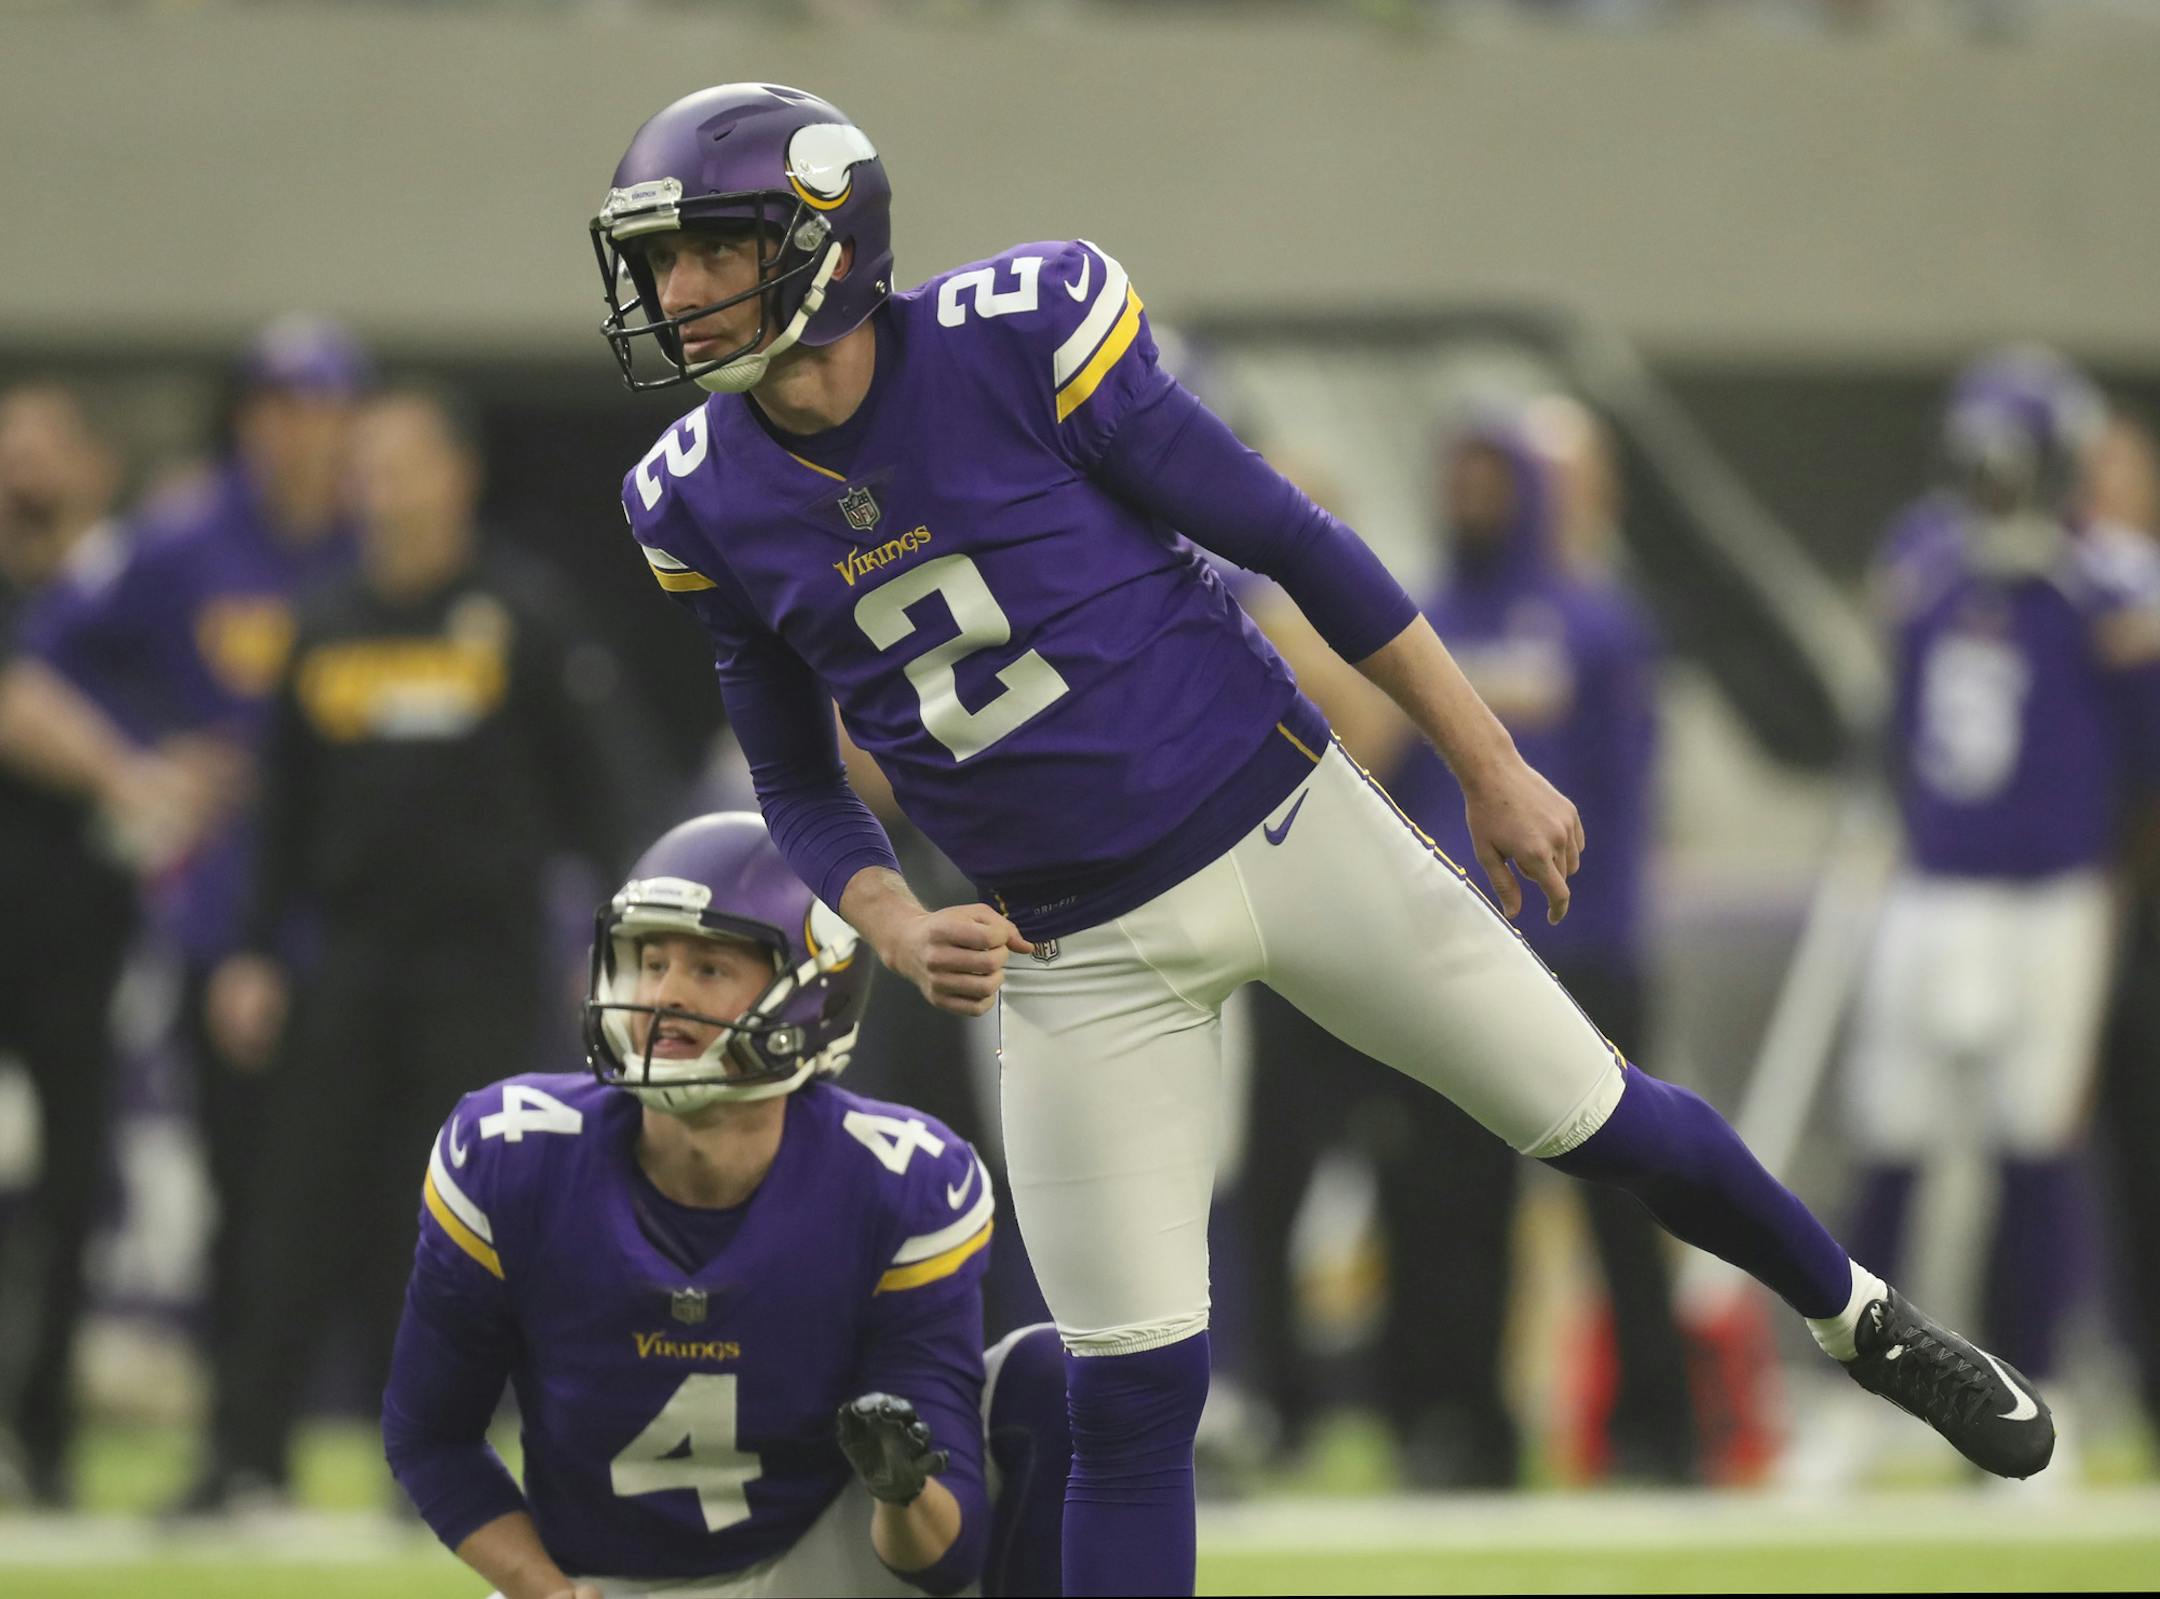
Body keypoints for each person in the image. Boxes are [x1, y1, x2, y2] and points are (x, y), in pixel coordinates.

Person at [590, 83, 2055, 1593]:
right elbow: (796, 779)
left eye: (713, 248)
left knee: (1599, 1118)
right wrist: (898, 922)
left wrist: (1487, 759)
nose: (680, 289)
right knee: (1130, 1398)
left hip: (1286, 825)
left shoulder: (1018, 338)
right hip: (1068, 944)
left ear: (828, 240)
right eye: (664, 260)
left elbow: (1291, 537)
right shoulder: (699, 499)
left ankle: (1862, 1318)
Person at [179, 382, 669, 1507]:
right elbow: (283, 811)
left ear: (457, 476)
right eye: (368, 466)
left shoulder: (522, 612)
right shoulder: (323, 620)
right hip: (348, 955)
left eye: (401, 463)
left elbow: (608, 791)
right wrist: (254, 950)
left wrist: (621, 939)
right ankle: (245, 1454)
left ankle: (433, 1459)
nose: (381, 486)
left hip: (480, 958)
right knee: (293, 1203)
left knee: (454, 1215)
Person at [382, 812, 1069, 1598]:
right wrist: (548, 1591)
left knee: (1050, 1376)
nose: (663, 995)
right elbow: (431, 1438)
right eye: (650, 961)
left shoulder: (898, 1182)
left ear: (817, 989)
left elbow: (947, 1557)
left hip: (816, 1572)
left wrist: (902, 1488)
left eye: (708, 967)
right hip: (598, 1580)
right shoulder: (511, 1154)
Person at [3, 318, 369, 1512]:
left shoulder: (384, 541)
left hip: (364, 914)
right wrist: (140, 769)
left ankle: (384, 1438)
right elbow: (33, 670)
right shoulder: (179, 542)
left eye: (321, 410)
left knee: (376, 1194)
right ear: (249, 421)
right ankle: (233, 1446)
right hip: (225, 920)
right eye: (279, 408)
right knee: (235, 1188)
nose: (300, 434)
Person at [1830, 350, 2160, 1478]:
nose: (1996, 490)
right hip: (1934, 883)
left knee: (2034, 1141)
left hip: (2055, 896)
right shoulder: (1924, 560)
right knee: (1892, 1133)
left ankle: (2036, 1392)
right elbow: (1895, 721)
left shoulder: (2108, 584)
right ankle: (1856, 1399)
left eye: (2013, 467)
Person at [0, 384, 212, 1505]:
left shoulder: (131, 593)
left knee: (74, 1182)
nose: (21, 474)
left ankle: (42, 1437)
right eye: (7, 454)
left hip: (82, 937)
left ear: (93, 468)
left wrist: (189, 772)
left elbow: (213, 716)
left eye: (41, 452)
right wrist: (127, 774)